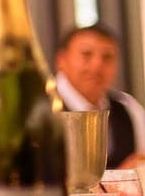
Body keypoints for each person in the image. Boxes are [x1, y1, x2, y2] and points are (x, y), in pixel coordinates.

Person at [55, 23, 145, 169]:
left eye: (107, 57)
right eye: (86, 54)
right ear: (61, 60)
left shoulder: (129, 109)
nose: (97, 65)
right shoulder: (41, 108)